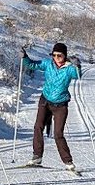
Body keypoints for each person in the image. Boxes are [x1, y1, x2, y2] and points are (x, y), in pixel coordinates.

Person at [21, 42, 82, 171]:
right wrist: (24, 57)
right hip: (45, 101)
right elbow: (31, 64)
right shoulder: (48, 64)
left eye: (59, 55)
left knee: (58, 134)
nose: (56, 58)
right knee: (38, 127)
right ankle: (37, 156)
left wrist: (78, 65)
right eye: (54, 55)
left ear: (64, 56)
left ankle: (68, 162)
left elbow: (78, 75)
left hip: (60, 105)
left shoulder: (70, 68)